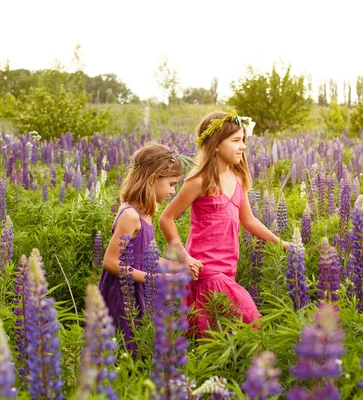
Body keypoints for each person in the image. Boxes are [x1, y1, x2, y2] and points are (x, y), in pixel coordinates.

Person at [159, 111, 289, 336]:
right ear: (216, 145)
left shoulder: (237, 180)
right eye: (236, 141)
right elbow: (166, 218)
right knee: (252, 325)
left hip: (228, 270)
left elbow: (248, 220)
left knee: (213, 338)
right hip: (205, 269)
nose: (243, 147)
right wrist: (184, 257)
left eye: (243, 140)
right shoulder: (199, 181)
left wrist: (281, 243)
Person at [99, 142, 199, 347]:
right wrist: (153, 278)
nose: (173, 191)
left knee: (144, 345)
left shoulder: (147, 213)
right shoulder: (130, 215)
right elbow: (110, 261)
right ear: (153, 179)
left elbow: (147, 258)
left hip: (141, 289)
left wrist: (179, 267)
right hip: (123, 295)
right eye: (171, 184)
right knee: (126, 348)